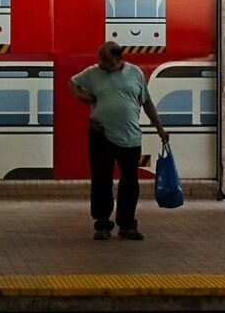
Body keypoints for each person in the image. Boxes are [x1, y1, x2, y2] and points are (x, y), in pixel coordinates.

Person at [68, 41, 169, 241]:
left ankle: (127, 224)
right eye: (100, 59)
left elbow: (147, 102)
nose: (101, 63)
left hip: (130, 136)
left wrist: (160, 128)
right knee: (101, 179)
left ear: (118, 59)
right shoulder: (94, 72)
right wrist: (82, 96)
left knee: (130, 181)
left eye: (105, 60)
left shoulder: (135, 73)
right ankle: (102, 224)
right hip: (100, 133)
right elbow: (72, 83)